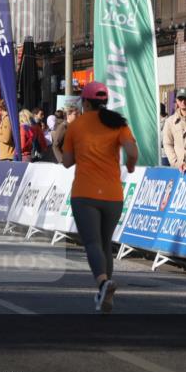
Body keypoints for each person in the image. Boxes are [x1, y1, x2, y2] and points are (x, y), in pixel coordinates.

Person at [62, 82, 138, 313]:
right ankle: (106, 294)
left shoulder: (76, 125)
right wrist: (130, 166)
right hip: (113, 195)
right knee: (105, 243)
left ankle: (103, 283)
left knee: (93, 243)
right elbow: (132, 151)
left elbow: (67, 162)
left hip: (85, 193)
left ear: (85, 103)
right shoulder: (118, 123)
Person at [162, 88, 186, 169]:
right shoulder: (170, 121)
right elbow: (167, 143)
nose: (183, 102)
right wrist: (174, 162)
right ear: (176, 101)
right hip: (178, 167)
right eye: (180, 99)